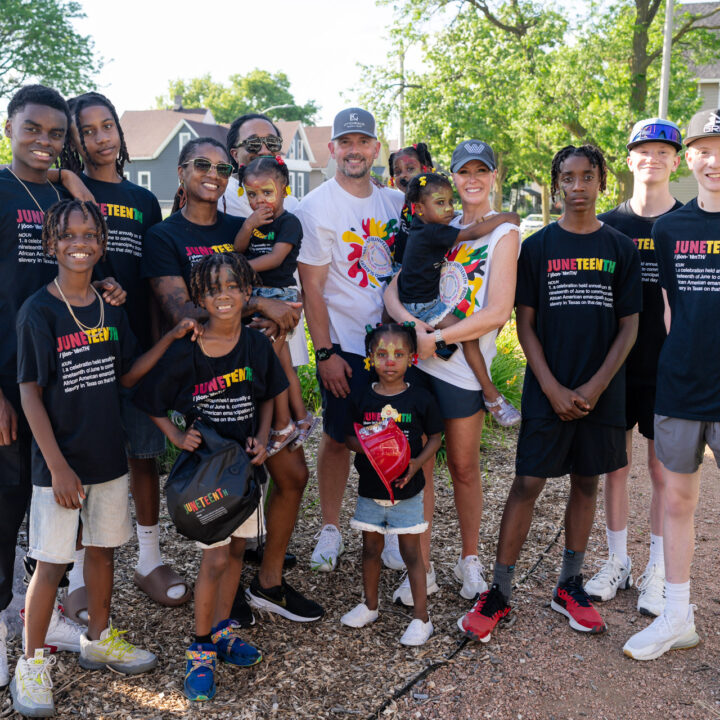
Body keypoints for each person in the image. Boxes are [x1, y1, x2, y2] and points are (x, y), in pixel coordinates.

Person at [11, 199, 200, 717]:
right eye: (68, 234)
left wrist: (168, 339)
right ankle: (30, 664)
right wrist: (57, 466)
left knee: (101, 550)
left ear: (102, 242)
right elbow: (29, 392)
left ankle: (99, 637)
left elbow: (127, 375)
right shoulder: (38, 312)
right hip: (61, 465)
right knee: (50, 562)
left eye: (90, 234)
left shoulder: (109, 305)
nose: (80, 243)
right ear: (51, 243)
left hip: (107, 456)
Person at [457, 144, 641, 642]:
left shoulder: (620, 248)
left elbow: (629, 327)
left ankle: (569, 585)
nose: (577, 187)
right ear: (555, 183)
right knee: (528, 484)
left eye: (587, 177)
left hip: (602, 392)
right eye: (568, 178)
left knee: (586, 481)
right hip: (548, 389)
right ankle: (498, 592)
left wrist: (596, 385)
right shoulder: (537, 248)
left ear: (602, 181)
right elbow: (526, 323)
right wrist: (553, 387)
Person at [144, 137, 321, 624]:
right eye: (202, 164)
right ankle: (223, 596)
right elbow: (184, 312)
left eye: (223, 167)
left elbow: (279, 273)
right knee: (224, 487)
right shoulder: (166, 237)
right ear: (180, 171)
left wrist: (277, 313)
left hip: (256, 372)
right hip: (207, 387)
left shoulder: (243, 224)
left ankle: (267, 582)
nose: (214, 173)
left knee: (291, 475)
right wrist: (261, 305)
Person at [0, 85, 125, 689]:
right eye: (33, 130)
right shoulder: (0, 190)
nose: (44, 142)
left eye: (55, 134)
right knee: (6, 510)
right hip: (10, 380)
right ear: (9, 127)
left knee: (54, 511)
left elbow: (86, 257)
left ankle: (43, 623)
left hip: (69, 383)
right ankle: (9, 637)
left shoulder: (62, 197)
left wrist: (108, 284)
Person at [58, 91, 190, 616]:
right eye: (86, 130)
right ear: (75, 140)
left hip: (138, 345)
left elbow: (153, 276)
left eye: (106, 125)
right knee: (85, 461)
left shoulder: (140, 200)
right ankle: (73, 573)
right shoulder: (62, 189)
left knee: (143, 456)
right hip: (85, 346)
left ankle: (149, 558)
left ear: (119, 130)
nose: (100, 137)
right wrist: (72, 184)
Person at [135, 252, 288, 700]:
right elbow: (149, 400)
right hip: (207, 476)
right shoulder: (188, 349)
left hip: (244, 470)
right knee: (215, 559)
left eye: (233, 287)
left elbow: (266, 395)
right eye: (213, 288)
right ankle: (199, 649)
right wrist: (176, 436)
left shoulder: (256, 344)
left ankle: (221, 632)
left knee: (237, 551)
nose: (224, 295)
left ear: (247, 293)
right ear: (199, 296)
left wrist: (262, 438)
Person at [384, 139, 520, 605]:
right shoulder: (438, 222)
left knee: (463, 467)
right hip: (421, 361)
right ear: (454, 177)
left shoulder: (503, 236)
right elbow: (395, 288)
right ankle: (418, 568)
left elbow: (498, 312)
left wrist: (437, 337)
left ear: (494, 176)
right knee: (416, 468)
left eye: (483, 171)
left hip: (460, 367)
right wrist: (411, 326)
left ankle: (469, 561)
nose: (473, 180)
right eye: (465, 172)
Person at [623, 108, 720, 661]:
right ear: (693, 158)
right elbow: (668, 310)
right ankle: (677, 617)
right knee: (678, 499)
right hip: (679, 386)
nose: (713, 161)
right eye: (705, 149)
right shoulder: (669, 229)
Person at [296, 107, 405, 572]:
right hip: (343, 344)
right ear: (333, 149)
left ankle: (394, 528)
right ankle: (330, 528)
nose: (355, 150)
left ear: (375, 149)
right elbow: (312, 289)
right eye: (346, 142)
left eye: (363, 142)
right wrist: (324, 353)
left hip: (393, 346)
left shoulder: (396, 204)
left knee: (394, 431)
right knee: (337, 438)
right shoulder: (315, 208)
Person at [584, 118, 683, 617]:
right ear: (629, 159)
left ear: (676, 160)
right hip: (617, 367)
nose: (653, 158)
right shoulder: (608, 226)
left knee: (662, 470)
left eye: (664, 151)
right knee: (615, 467)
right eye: (644, 150)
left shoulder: (685, 225)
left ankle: (659, 568)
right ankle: (618, 560)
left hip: (666, 368)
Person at [341, 323, 442, 645]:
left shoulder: (421, 398)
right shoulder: (363, 396)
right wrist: (369, 447)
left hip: (408, 490)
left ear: (412, 358)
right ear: (370, 358)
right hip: (370, 490)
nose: (390, 361)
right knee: (370, 549)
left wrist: (416, 463)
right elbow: (348, 436)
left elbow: (437, 437)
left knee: (412, 553)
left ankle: (421, 620)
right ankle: (370, 606)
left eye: (398, 354)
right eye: (382, 354)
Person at [398, 171, 521, 426]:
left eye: (450, 202)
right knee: (469, 337)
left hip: (413, 302)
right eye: (439, 203)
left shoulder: (423, 228)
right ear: (419, 208)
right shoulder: (433, 232)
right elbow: (474, 233)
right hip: (426, 305)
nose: (448, 209)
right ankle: (491, 395)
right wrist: (505, 218)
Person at [234, 155, 318, 452]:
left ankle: (282, 425)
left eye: (267, 193)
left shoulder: (289, 222)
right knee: (283, 365)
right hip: (263, 296)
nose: (260, 201)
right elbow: (238, 248)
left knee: (270, 364)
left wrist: (238, 271)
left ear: (284, 189)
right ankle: (302, 417)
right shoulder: (254, 221)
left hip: (280, 296)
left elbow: (275, 258)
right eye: (252, 194)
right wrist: (248, 226)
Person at [387, 142, 434, 266]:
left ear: (426, 169)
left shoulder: (431, 205)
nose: (403, 175)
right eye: (398, 172)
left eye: (410, 169)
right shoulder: (406, 202)